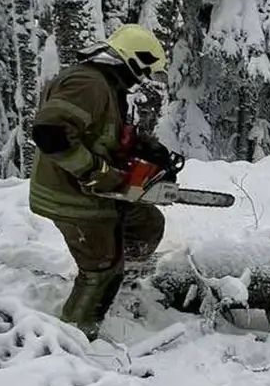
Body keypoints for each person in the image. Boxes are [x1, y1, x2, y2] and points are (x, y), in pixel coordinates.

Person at [28, 24, 184, 340]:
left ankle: (123, 286)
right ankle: (74, 339)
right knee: (101, 272)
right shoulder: (89, 83)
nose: (144, 79)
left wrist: (143, 147)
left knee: (146, 222)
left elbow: (102, 133)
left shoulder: (104, 85)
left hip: (91, 192)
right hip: (72, 196)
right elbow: (51, 133)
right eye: (145, 71)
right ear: (134, 60)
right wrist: (96, 172)